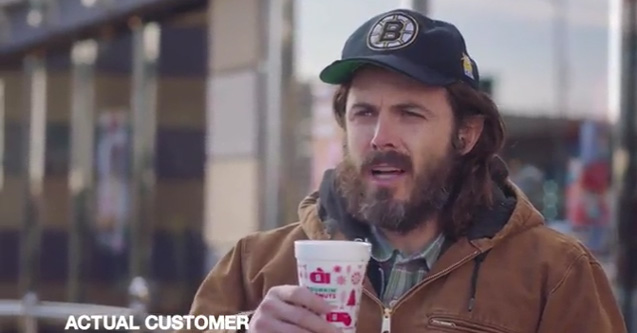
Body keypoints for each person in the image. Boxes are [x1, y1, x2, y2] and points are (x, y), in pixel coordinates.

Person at [183, 9, 626, 333]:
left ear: (466, 135)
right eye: (364, 113)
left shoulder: (555, 273)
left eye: (410, 113)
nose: (380, 137)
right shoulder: (255, 265)